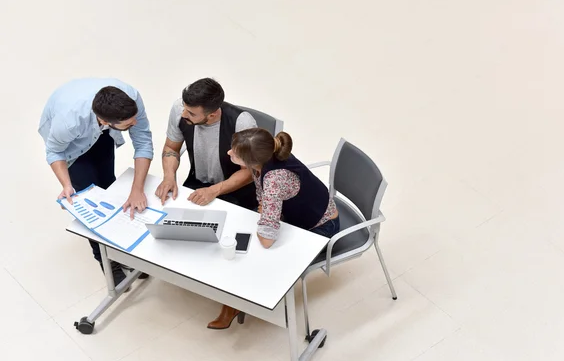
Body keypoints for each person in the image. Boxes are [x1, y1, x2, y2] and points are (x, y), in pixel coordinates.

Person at [206, 128, 341, 330]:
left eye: (234, 152)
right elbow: (264, 200)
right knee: (242, 239)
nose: (229, 153)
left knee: (258, 253)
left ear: (251, 161)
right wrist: (267, 210)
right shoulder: (268, 153)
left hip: (321, 227)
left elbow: (267, 239)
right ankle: (234, 300)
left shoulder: (274, 180)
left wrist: (267, 215)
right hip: (295, 215)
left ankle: (240, 303)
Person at [38, 78, 154, 287]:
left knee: (108, 187)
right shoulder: (68, 122)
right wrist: (67, 185)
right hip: (70, 145)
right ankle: (108, 262)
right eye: (129, 123)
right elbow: (55, 151)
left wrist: (137, 190)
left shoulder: (131, 97)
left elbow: (143, 142)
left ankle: (121, 252)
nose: (135, 123)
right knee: (90, 202)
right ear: (105, 120)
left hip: (99, 129)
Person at [154, 78, 258, 210]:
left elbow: (250, 171)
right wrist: (169, 177)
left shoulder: (242, 123)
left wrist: (214, 190)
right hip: (197, 184)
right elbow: (171, 148)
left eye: (191, 113)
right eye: (184, 108)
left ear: (212, 115)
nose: (184, 114)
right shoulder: (179, 109)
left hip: (237, 191)